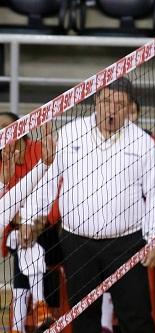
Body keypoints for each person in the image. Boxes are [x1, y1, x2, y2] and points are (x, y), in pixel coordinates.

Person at [20, 77, 155, 333]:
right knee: (83, 317)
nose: (111, 109)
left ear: (129, 108)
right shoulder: (70, 133)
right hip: (77, 242)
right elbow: (48, 180)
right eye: (105, 101)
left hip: (126, 244)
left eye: (119, 104)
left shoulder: (143, 143)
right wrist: (29, 219)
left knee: (136, 316)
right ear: (95, 103)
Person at [0, 112, 58, 333]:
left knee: (28, 244)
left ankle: (17, 326)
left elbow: (56, 195)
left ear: (21, 129)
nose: (3, 132)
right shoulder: (1, 161)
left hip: (47, 228)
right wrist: (24, 222)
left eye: (7, 126)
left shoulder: (40, 149)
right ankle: (40, 304)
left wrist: (35, 222)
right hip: (15, 230)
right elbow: (3, 206)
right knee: (25, 241)